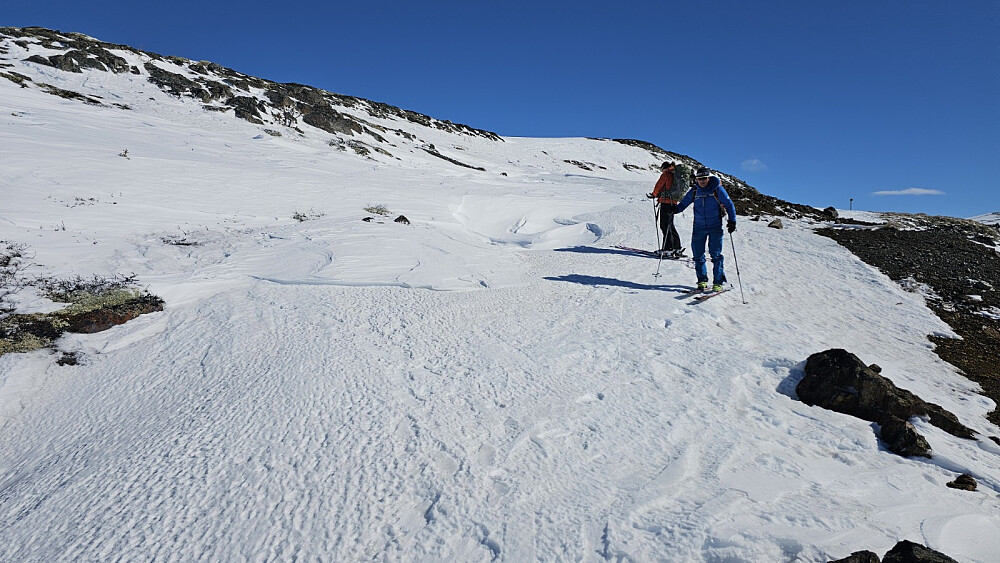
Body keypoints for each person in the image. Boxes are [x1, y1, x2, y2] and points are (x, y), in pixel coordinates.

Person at [675, 167, 737, 292]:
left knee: (716, 254)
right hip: (699, 227)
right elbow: (684, 203)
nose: (702, 181)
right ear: (696, 179)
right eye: (699, 179)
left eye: (704, 178)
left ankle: (718, 282)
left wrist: (732, 221)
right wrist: (674, 209)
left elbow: (729, 205)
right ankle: (702, 281)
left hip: (715, 226)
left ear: (708, 178)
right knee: (698, 255)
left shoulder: (717, 189)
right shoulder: (694, 191)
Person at [646, 161, 686, 257]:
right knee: (670, 225)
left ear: (664, 168)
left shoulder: (666, 174)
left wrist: (654, 195)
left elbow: (659, 185)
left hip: (665, 202)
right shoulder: (676, 174)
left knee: (664, 226)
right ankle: (676, 248)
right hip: (673, 203)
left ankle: (668, 249)